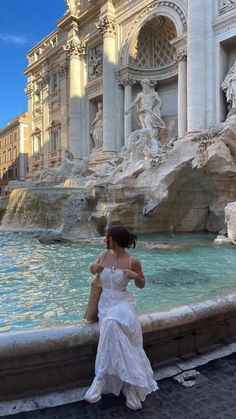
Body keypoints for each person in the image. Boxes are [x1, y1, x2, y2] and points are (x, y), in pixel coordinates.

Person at [84, 225, 158, 410]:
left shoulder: (133, 261)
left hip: (123, 302)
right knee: (111, 327)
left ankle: (103, 378)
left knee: (110, 324)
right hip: (105, 303)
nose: (104, 240)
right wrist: (93, 267)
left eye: (107, 237)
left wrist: (135, 276)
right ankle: (126, 384)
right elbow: (92, 270)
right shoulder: (104, 256)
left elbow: (141, 284)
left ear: (114, 241)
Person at [125, 79, 166, 143]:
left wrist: (157, 108)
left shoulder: (154, 93)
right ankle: (145, 141)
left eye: (145, 85)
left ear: (148, 85)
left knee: (148, 121)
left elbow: (160, 101)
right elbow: (134, 102)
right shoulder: (140, 94)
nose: (144, 86)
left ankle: (151, 140)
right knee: (144, 127)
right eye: (143, 85)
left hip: (150, 111)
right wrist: (128, 109)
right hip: (141, 112)